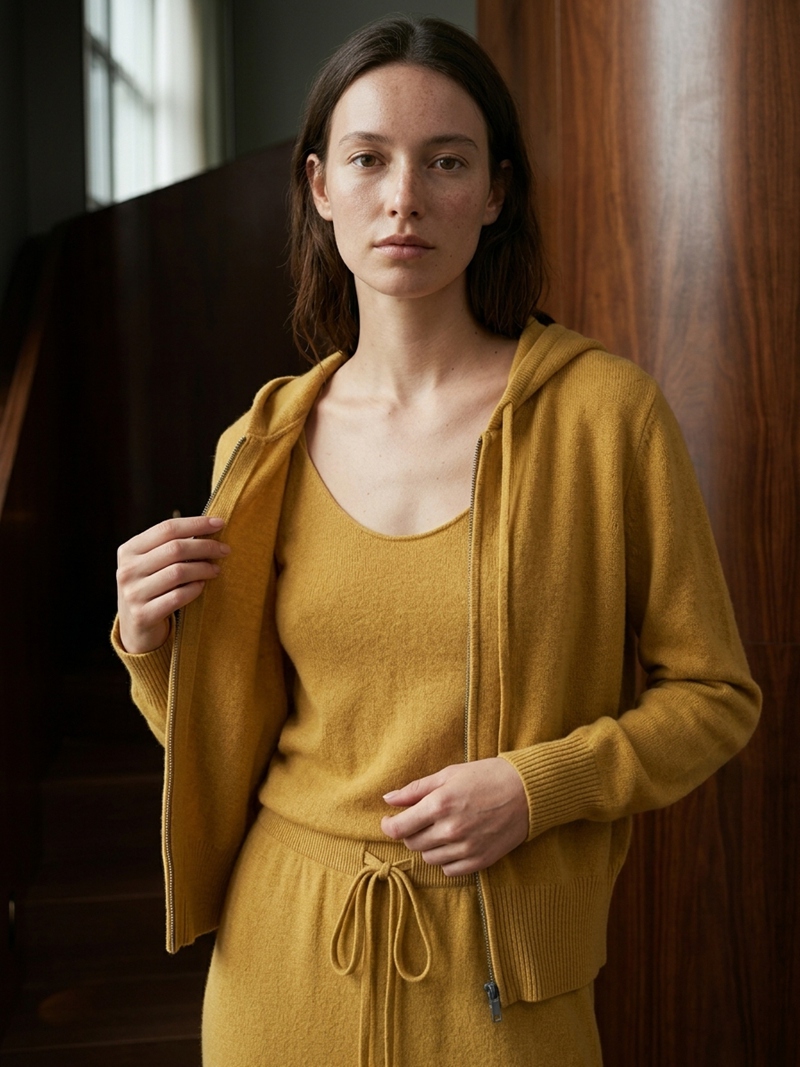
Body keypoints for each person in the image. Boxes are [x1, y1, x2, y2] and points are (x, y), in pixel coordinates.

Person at [112, 16, 761, 1067]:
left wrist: (536, 786)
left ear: (495, 192)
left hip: (501, 978)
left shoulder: (607, 417)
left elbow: (715, 696)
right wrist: (150, 645)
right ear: (320, 186)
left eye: (446, 161)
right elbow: (222, 737)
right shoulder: (259, 445)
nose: (404, 197)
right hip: (280, 962)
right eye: (369, 158)